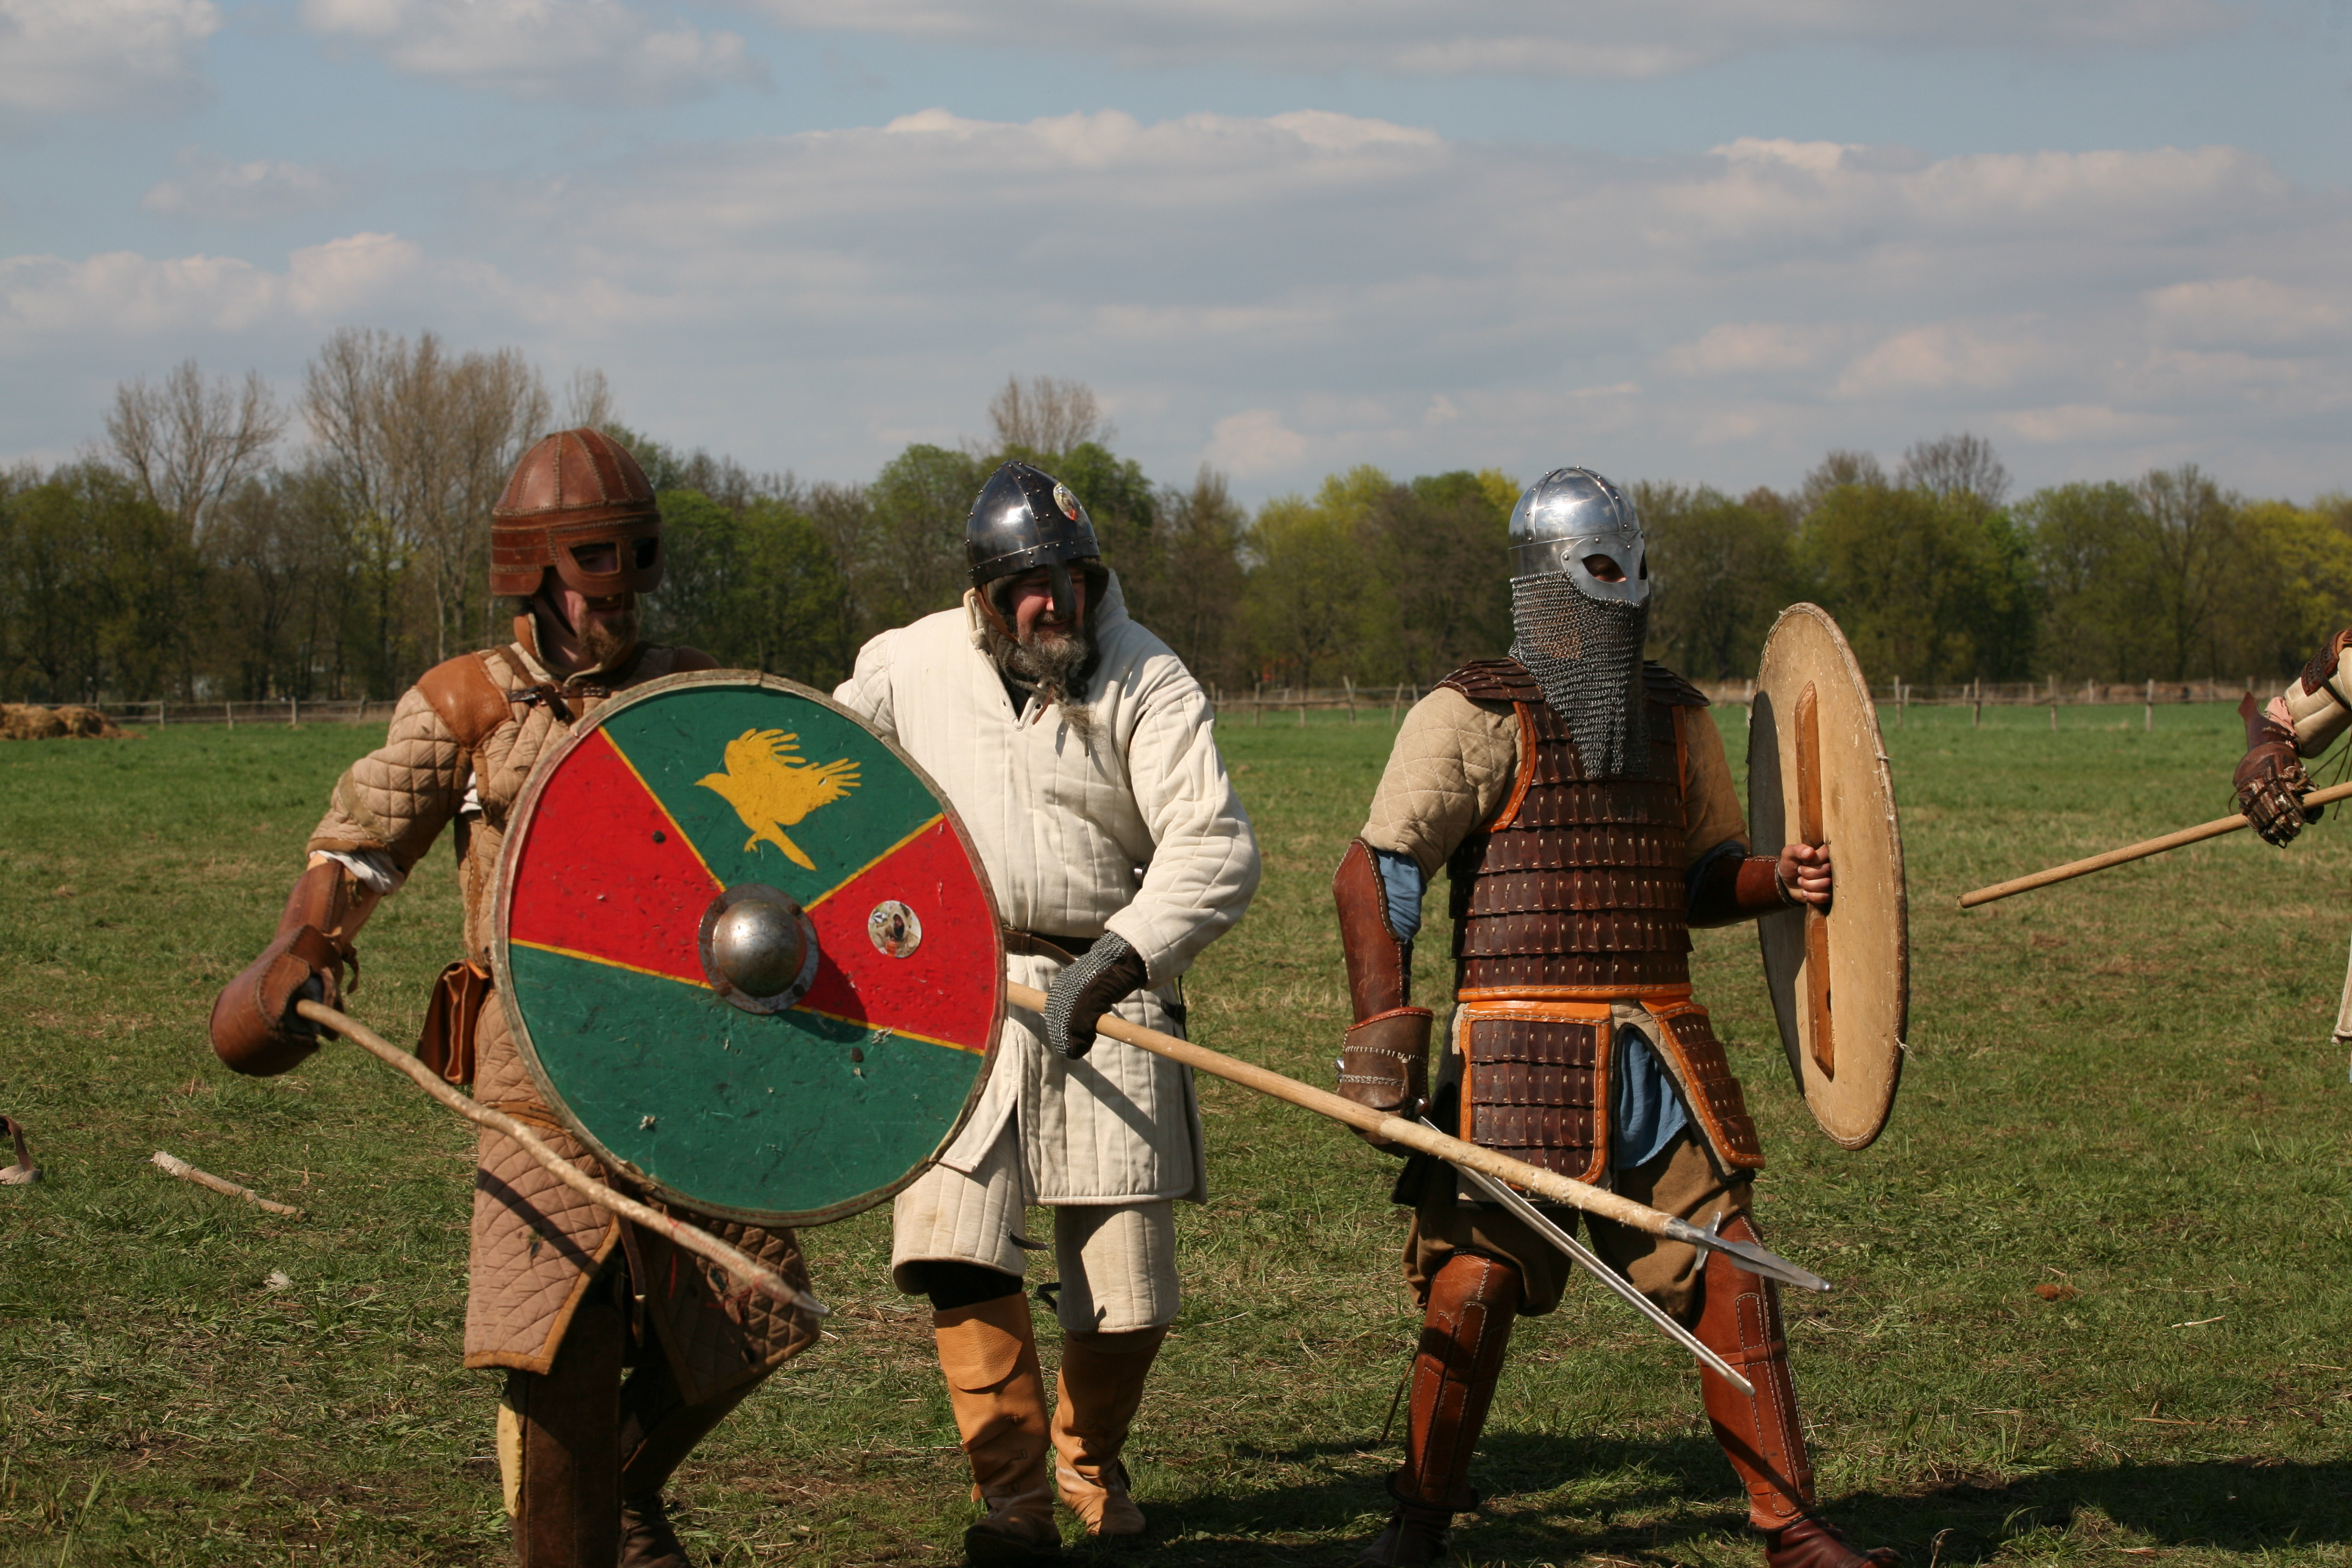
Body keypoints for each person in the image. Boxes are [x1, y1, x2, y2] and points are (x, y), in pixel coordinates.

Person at [209, 429, 817, 1568]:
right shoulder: (468, 705)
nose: (619, 597)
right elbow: (358, 845)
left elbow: (784, 857)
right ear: (535, 572)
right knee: (562, 1332)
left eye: (634, 567)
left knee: (753, 1310)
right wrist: (307, 941)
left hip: (685, 1050)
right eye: (597, 570)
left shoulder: (687, 690)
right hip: (534, 1059)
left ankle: (618, 1493)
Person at [1330, 467, 1895, 1568]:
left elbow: (1698, 876)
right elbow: (1380, 870)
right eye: (1601, 569)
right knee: (1475, 1285)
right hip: (1517, 1055)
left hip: (1654, 1053)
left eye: (1635, 567)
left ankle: (1792, 1527)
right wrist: (1382, 1049)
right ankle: (1417, 1524)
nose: (1626, 589)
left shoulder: (1675, 717)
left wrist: (1776, 878)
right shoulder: (1472, 714)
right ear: (1544, 582)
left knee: (1733, 1268)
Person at [832, 459, 1261, 1563]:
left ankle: (1087, 1459)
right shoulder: (906, 665)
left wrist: (1119, 958)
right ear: (984, 595)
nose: (1052, 602)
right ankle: (1016, 1497)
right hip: (957, 996)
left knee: (1128, 1287)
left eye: (1069, 578)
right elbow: (825, 778)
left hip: (1107, 990)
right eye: (1026, 586)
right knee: (957, 1250)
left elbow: (1214, 846)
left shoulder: (1148, 674)